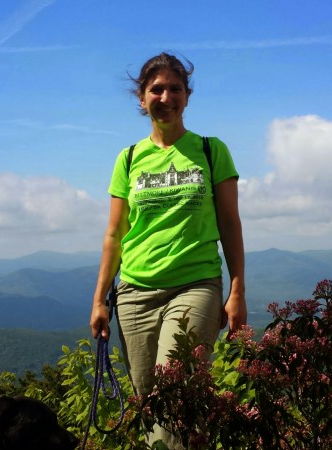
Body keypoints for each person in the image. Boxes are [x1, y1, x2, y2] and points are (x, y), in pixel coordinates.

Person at [90, 52, 247, 448]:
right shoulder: (128, 159)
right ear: (141, 98)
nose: (165, 97)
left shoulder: (211, 150)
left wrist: (237, 290)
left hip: (195, 285)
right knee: (151, 406)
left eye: (175, 88)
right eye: (156, 89)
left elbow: (230, 223)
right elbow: (115, 234)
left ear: (187, 96)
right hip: (133, 294)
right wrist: (99, 300)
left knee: (175, 395)